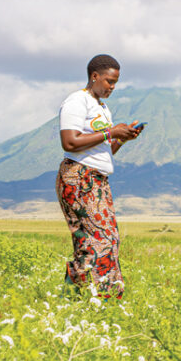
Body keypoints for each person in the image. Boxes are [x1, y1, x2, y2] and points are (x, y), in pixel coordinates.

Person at [55, 54, 144, 299]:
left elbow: (104, 150)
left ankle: (75, 297)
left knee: (108, 238)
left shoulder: (102, 108)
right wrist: (110, 132)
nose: (112, 87)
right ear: (94, 76)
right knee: (97, 240)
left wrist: (121, 139)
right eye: (108, 81)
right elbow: (70, 141)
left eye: (115, 82)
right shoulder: (77, 101)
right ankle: (97, 299)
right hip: (78, 177)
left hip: (98, 179)